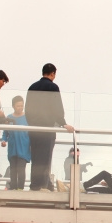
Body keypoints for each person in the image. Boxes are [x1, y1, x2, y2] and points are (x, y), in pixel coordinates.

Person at [26, 63, 74, 191]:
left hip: (34, 129)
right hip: (47, 128)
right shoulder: (53, 87)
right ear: (53, 74)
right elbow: (57, 108)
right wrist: (63, 123)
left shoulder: (32, 87)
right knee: (46, 157)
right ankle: (43, 185)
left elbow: (28, 109)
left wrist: (31, 123)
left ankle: (35, 184)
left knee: (36, 157)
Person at [1, 95, 31, 190]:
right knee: (13, 170)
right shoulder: (9, 118)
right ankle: (13, 188)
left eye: (22, 105)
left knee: (21, 169)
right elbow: (5, 132)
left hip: (24, 148)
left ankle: (20, 189)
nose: (20, 108)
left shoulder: (27, 117)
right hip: (13, 148)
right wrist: (3, 140)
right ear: (13, 106)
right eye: (18, 106)